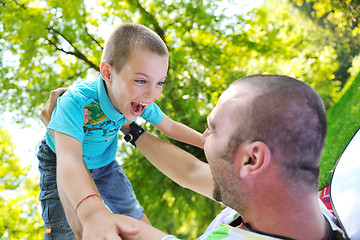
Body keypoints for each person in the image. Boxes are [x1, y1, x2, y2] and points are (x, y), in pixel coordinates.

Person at [42, 75, 346, 240]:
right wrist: (130, 128)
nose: (202, 138)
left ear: (252, 160)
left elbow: (87, 232)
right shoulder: (291, 204)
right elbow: (190, 172)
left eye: (212, 130)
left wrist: (63, 136)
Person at [37, 23, 204, 240]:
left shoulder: (139, 99)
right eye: (141, 80)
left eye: (160, 82)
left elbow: (169, 126)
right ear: (107, 72)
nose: (152, 94)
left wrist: (206, 143)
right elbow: (70, 160)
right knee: (63, 229)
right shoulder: (76, 102)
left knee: (132, 212)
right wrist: (94, 213)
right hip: (59, 158)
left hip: (103, 161)